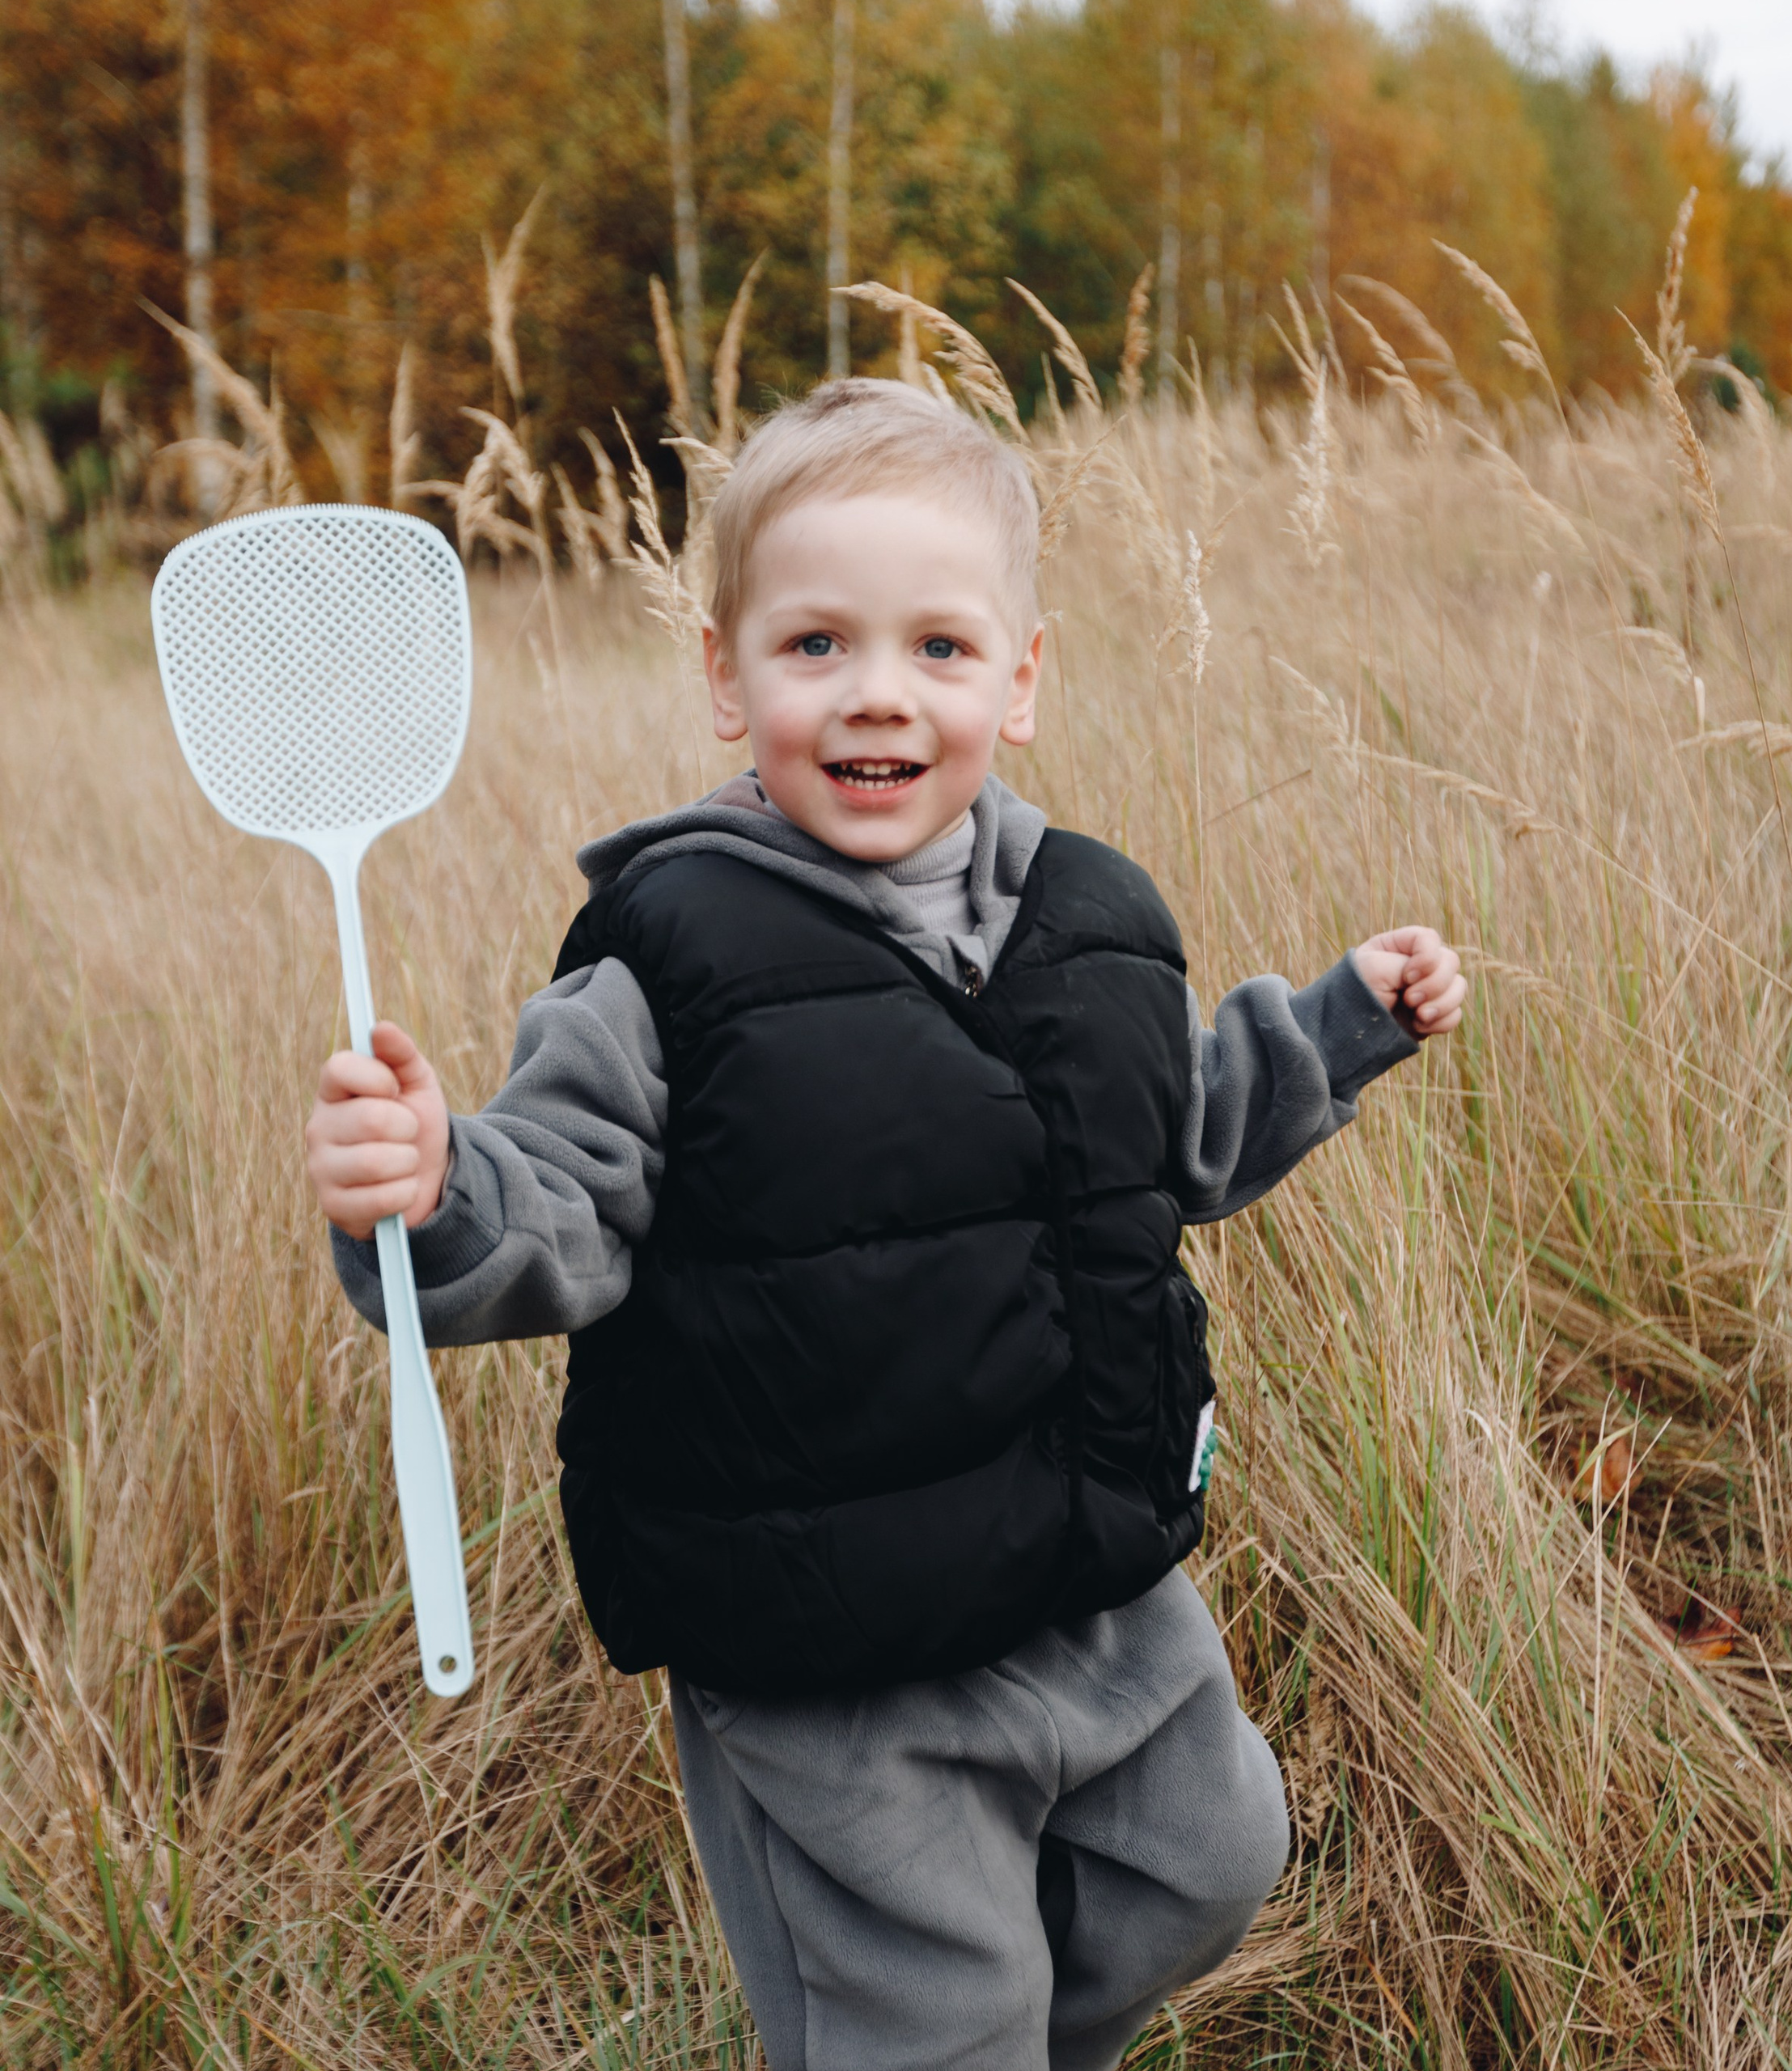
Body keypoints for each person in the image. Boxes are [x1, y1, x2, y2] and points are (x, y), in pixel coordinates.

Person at [306, 378, 1467, 2071]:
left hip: (1086, 1580)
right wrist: (431, 1188)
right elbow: (556, 1196)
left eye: (937, 647)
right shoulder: (664, 955)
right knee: (930, 2010)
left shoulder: (1095, 916)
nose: (877, 695)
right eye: (814, 646)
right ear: (725, 673)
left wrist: (1335, 1025)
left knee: (1212, 1856)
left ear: (1019, 672)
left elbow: (1172, 1132)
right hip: (826, 1650)